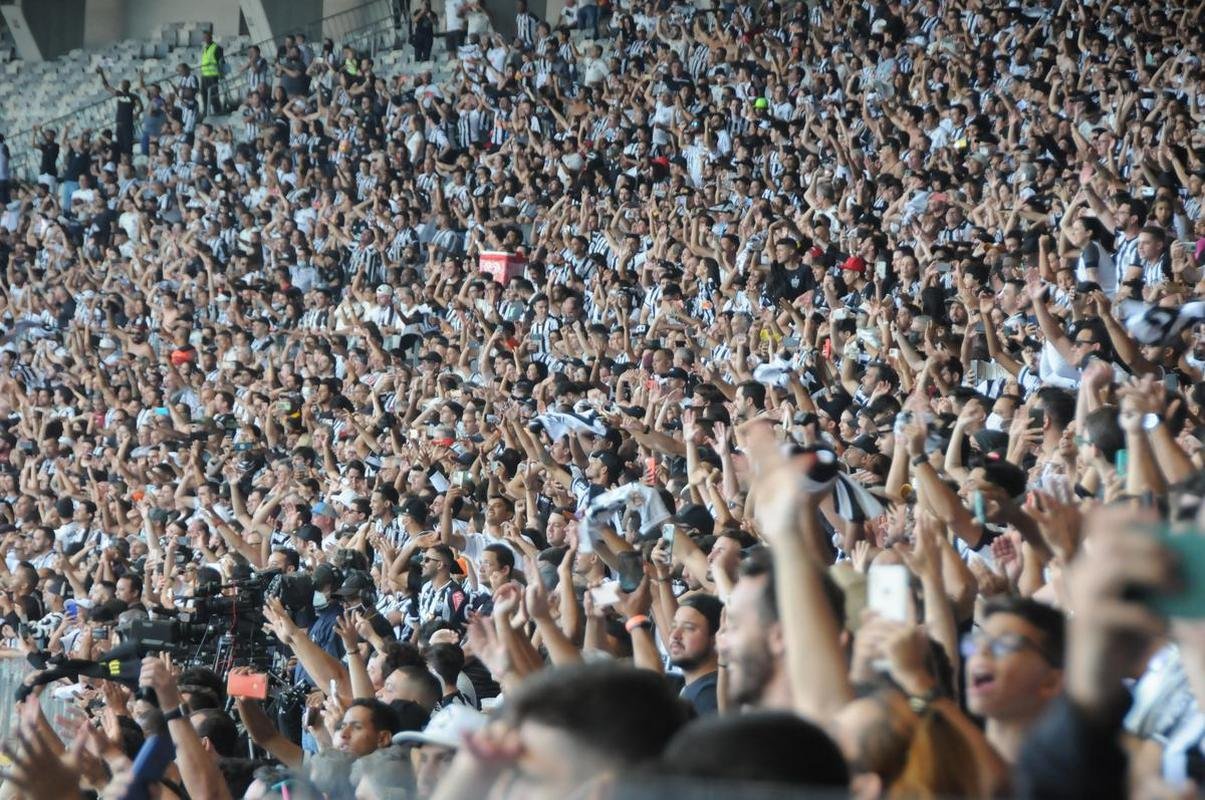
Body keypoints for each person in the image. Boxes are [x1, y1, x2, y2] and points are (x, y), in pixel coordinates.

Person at [199, 29, 225, 117]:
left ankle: (218, 111)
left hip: (212, 75)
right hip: (204, 75)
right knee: (204, 95)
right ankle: (206, 112)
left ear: (211, 37)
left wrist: (221, 73)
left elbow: (221, 61)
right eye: (204, 37)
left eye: (206, 37)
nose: (205, 39)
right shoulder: (205, 48)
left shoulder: (216, 48)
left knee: (213, 95)